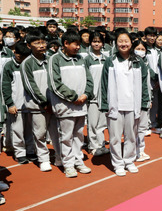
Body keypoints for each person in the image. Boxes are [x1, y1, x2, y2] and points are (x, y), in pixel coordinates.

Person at [99, 30, 150, 177]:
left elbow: (144, 84)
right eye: (120, 41)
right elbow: (104, 83)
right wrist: (104, 104)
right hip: (115, 104)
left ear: (131, 43)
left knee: (131, 135)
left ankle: (129, 160)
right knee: (115, 137)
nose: (123, 44)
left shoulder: (138, 62)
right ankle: (118, 163)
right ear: (116, 43)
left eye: (126, 41)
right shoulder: (110, 61)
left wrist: (144, 102)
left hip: (132, 104)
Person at [48, 30, 94, 178]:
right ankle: (68, 164)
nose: (78, 48)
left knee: (79, 135)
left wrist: (86, 94)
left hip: (81, 105)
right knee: (66, 136)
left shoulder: (81, 59)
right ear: (66, 43)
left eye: (79, 45)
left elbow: (89, 79)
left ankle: (78, 160)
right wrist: (73, 97)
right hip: (65, 106)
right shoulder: (55, 59)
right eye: (75, 44)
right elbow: (55, 84)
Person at [21, 30, 60, 171]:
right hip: (38, 105)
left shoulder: (51, 59)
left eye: (43, 42)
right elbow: (30, 86)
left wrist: (53, 101)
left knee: (56, 132)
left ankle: (59, 157)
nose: (42, 45)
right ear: (29, 45)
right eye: (37, 43)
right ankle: (43, 159)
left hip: (54, 103)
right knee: (40, 133)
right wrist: (44, 103)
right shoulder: (27, 63)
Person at [1, 40, 34, 164]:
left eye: (25, 56)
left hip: (30, 103)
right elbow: (5, 86)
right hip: (16, 104)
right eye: (20, 55)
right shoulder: (9, 66)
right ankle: (20, 153)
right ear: (15, 52)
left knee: (30, 130)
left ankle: (30, 150)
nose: (22, 58)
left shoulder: (29, 64)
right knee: (17, 130)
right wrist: (10, 103)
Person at [84, 31, 109, 157]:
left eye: (99, 42)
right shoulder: (87, 60)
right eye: (94, 41)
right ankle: (92, 146)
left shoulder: (107, 59)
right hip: (92, 97)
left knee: (102, 123)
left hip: (104, 96)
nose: (96, 44)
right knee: (92, 123)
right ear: (90, 43)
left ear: (103, 44)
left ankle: (101, 144)